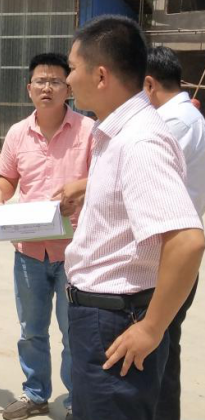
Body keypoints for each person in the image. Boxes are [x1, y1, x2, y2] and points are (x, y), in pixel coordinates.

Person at [62, 16, 204, 420]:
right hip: (103, 315)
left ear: (101, 75)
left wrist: (151, 327)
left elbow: (187, 241)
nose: (68, 79)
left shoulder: (140, 140)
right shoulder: (119, 134)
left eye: (72, 68)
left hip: (115, 320)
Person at [0, 53, 93, 420]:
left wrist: (80, 190)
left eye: (55, 81)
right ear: (28, 88)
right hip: (29, 250)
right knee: (31, 330)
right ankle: (35, 394)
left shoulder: (88, 131)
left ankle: (78, 401)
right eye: (40, 81)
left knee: (73, 331)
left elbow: (106, 177)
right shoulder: (18, 133)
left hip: (75, 250)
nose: (47, 88)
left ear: (69, 88)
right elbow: (8, 178)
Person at [143, 47, 204, 420]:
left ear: (149, 85)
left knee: (157, 354)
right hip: (173, 252)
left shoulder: (174, 124)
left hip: (167, 254)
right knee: (164, 350)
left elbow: (142, 178)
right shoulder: (186, 117)